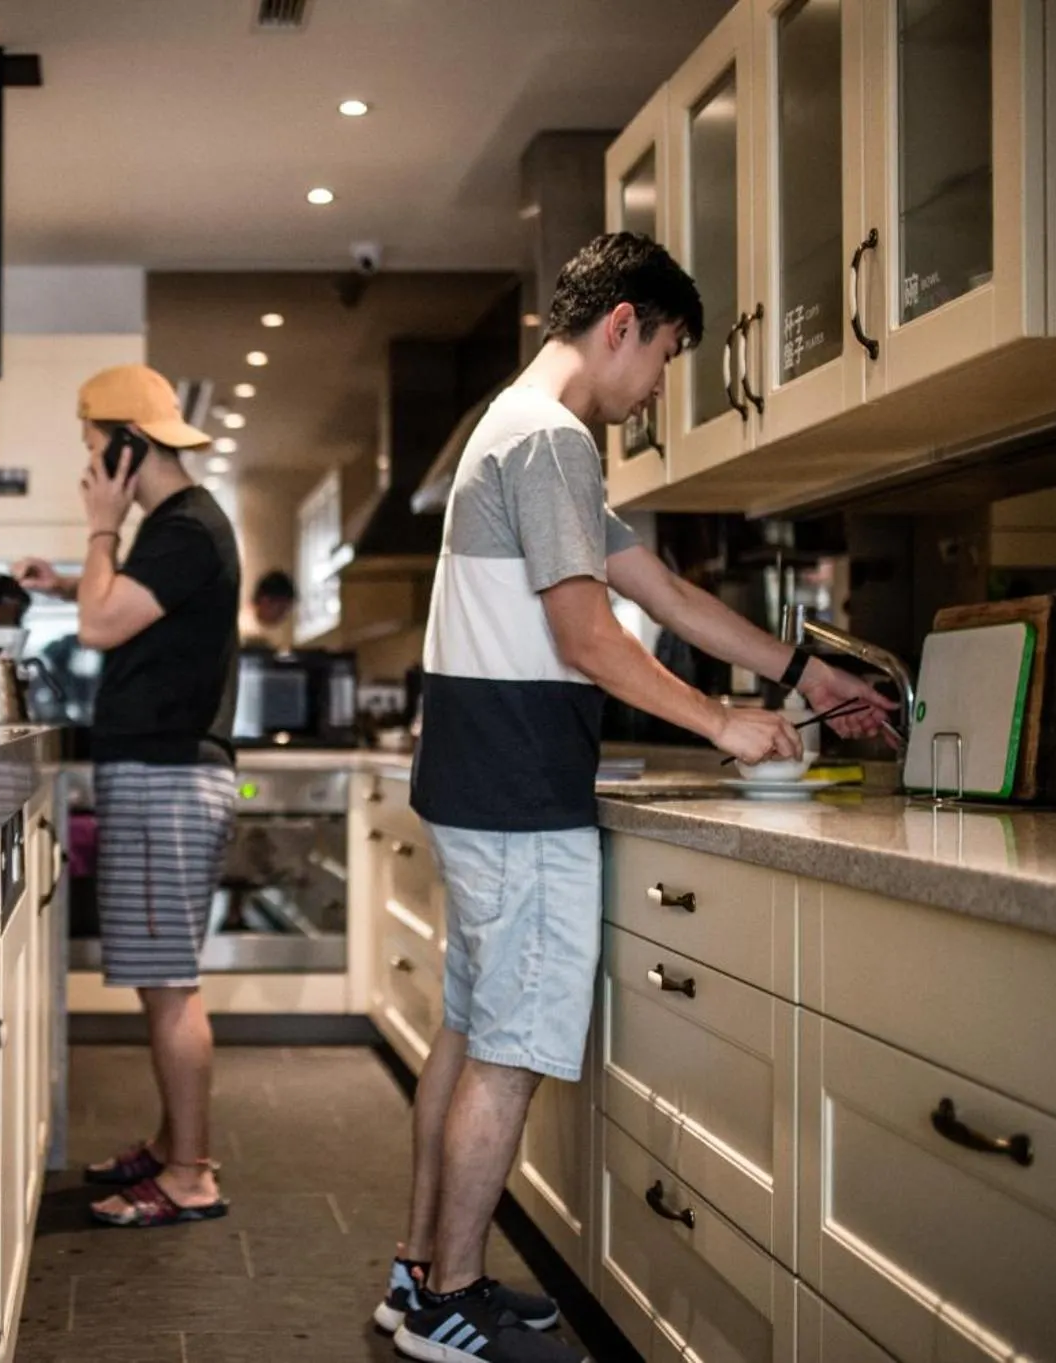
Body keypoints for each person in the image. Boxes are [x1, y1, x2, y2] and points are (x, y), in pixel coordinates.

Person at [374, 233, 894, 1363]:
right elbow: (588, 636)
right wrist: (722, 723)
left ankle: (420, 1276)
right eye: (663, 357)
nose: (657, 387)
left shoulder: (512, 431)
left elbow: (651, 586)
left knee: (470, 1032)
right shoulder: (552, 438)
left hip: (479, 776)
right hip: (515, 784)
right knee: (506, 1046)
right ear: (622, 324)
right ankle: (448, 1302)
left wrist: (799, 673)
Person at [13, 363, 242, 1229]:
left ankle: (190, 1172)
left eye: (90, 450)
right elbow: (130, 607)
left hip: (168, 775)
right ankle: (174, 1141)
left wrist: (98, 530)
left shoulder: (178, 527)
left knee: (168, 984)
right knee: (160, 980)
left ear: (125, 446)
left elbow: (105, 626)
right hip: (165, 772)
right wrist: (71, 577)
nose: (87, 468)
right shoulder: (180, 528)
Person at [241, 569, 296, 649]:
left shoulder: (277, 630)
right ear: (265, 601)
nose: (283, 615)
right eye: (281, 609)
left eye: (286, 610)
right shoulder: (243, 628)